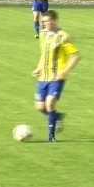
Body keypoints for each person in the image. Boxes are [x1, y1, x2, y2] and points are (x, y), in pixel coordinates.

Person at [32, 10, 80, 142]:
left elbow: (75, 56)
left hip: (56, 77)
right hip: (43, 76)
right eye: (43, 22)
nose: (44, 24)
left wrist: (64, 72)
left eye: (46, 21)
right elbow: (44, 54)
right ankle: (57, 117)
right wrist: (38, 68)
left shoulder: (63, 36)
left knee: (50, 103)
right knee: (40, 107)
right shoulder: (43, 34)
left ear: (54, 21)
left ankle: (51, 137)